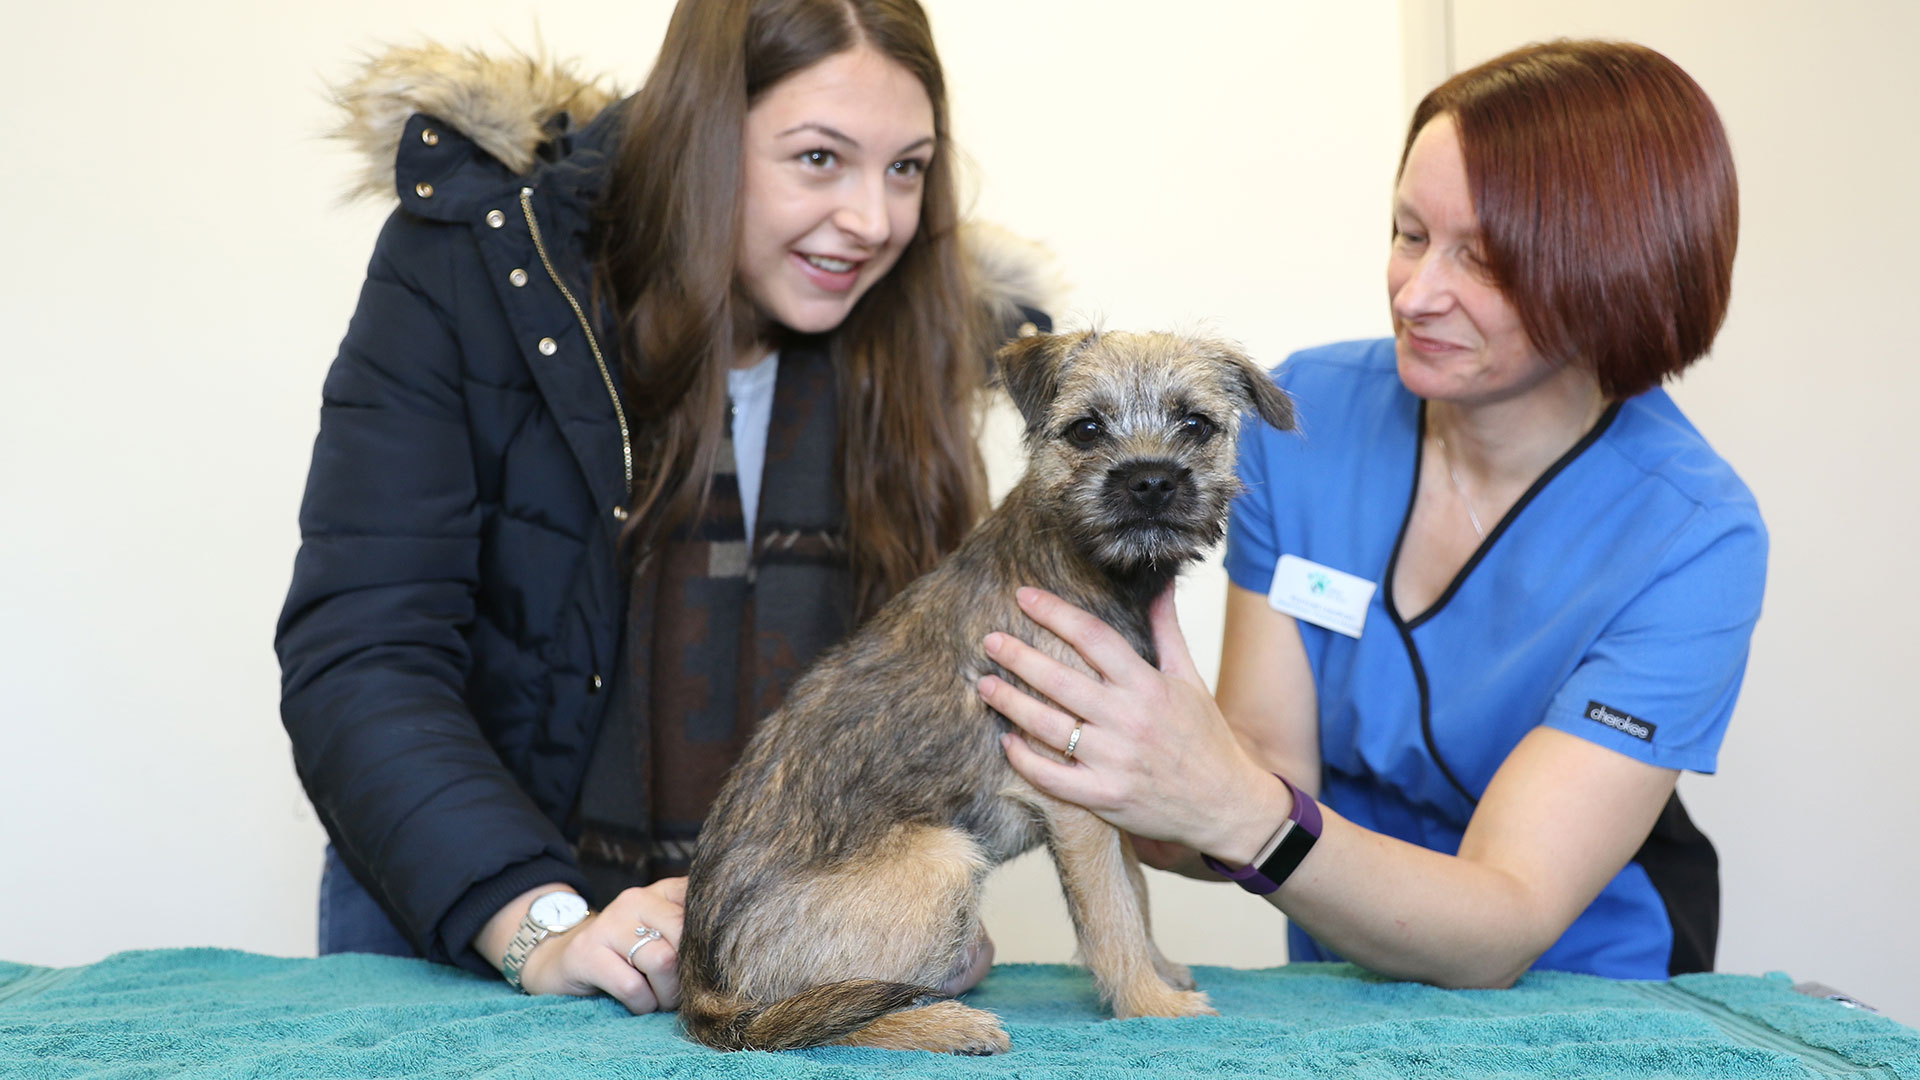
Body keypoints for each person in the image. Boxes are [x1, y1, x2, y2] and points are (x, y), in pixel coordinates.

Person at [276, 0, 1048, 1013]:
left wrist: (902, 911)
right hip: (475, 943)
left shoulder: (926, 331)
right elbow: (364, 654)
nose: (874, 220)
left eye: (907, 167)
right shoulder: (473, 262)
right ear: (702, 138)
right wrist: (540, 929)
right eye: (819, 158)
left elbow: (916, 704)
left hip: (772, 960)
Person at [980, 40, 1764, 986]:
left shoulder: (1692, 537)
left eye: (1484, 258)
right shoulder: (1310, 415)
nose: (1416, 293)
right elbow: (1267, 761)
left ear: (1620, 269)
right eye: (1409, 233)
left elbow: (1506, 914)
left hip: (1588, 985)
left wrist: (1235, 812)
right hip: (1343, 972)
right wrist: (1133, 780)